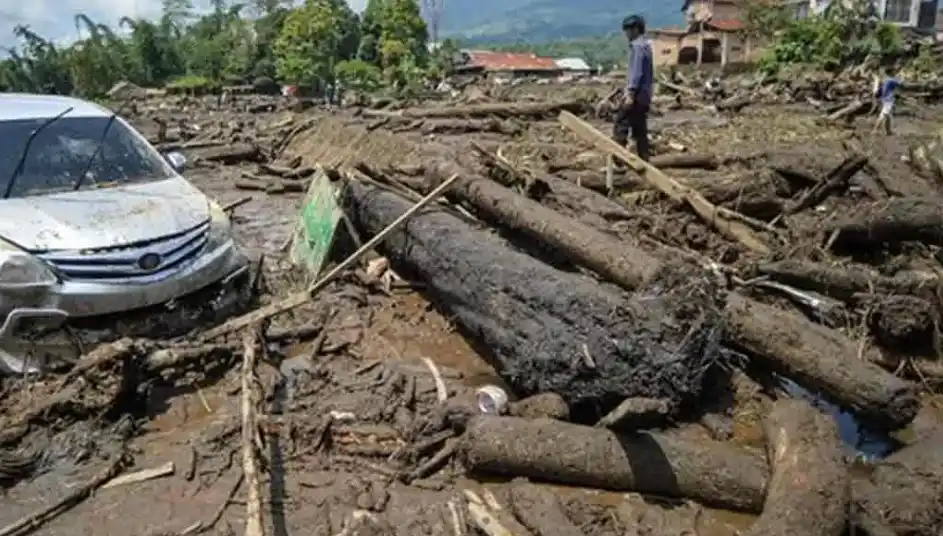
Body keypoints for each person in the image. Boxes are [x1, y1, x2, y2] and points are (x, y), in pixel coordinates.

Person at [613, 14, 653, 162]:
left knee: (620, 125)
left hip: (636, 96)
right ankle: (645, 160)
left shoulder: (637, 47)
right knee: (640, 131)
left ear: (636, 29)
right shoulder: (646, 46)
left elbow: (636, 72)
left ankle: (618, 162)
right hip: (644, 96)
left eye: (628, 30)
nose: (626, 34)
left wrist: (630, 93)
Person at [873, 68, 900, 135]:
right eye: (894, 71)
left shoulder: (885, 79)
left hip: (884, 99)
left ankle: (888, 131)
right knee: (883, 115)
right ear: (891, 72)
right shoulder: (891, 80)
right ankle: (875, 130)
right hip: (888, 99)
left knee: (888, 116)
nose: (895, 72)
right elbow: (902, 84)